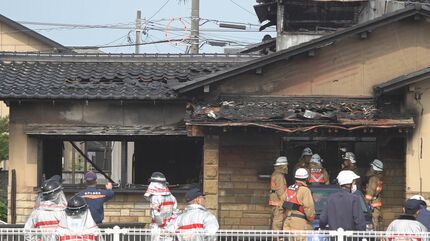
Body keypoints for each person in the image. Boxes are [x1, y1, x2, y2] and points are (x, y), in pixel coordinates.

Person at [269, 156, 288, 230]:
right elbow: (281, 192)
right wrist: (285, 203)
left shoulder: (275, 173)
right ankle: (276, 238)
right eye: (286, 165)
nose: (287, 167)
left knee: (275, 220)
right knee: (278, 221)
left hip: (275, 201)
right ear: (282, 166)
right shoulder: (279, 176)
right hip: (278, 202)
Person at [365, 159, 384, 230]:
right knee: (377, 222)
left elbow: (370, 194)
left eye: (371, 167)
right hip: (376, 204)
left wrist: (364, 205)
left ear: (374, 168)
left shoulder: (373, 179)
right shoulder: (379, 178)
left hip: (372, 205)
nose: (370, 168)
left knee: (374, 222)